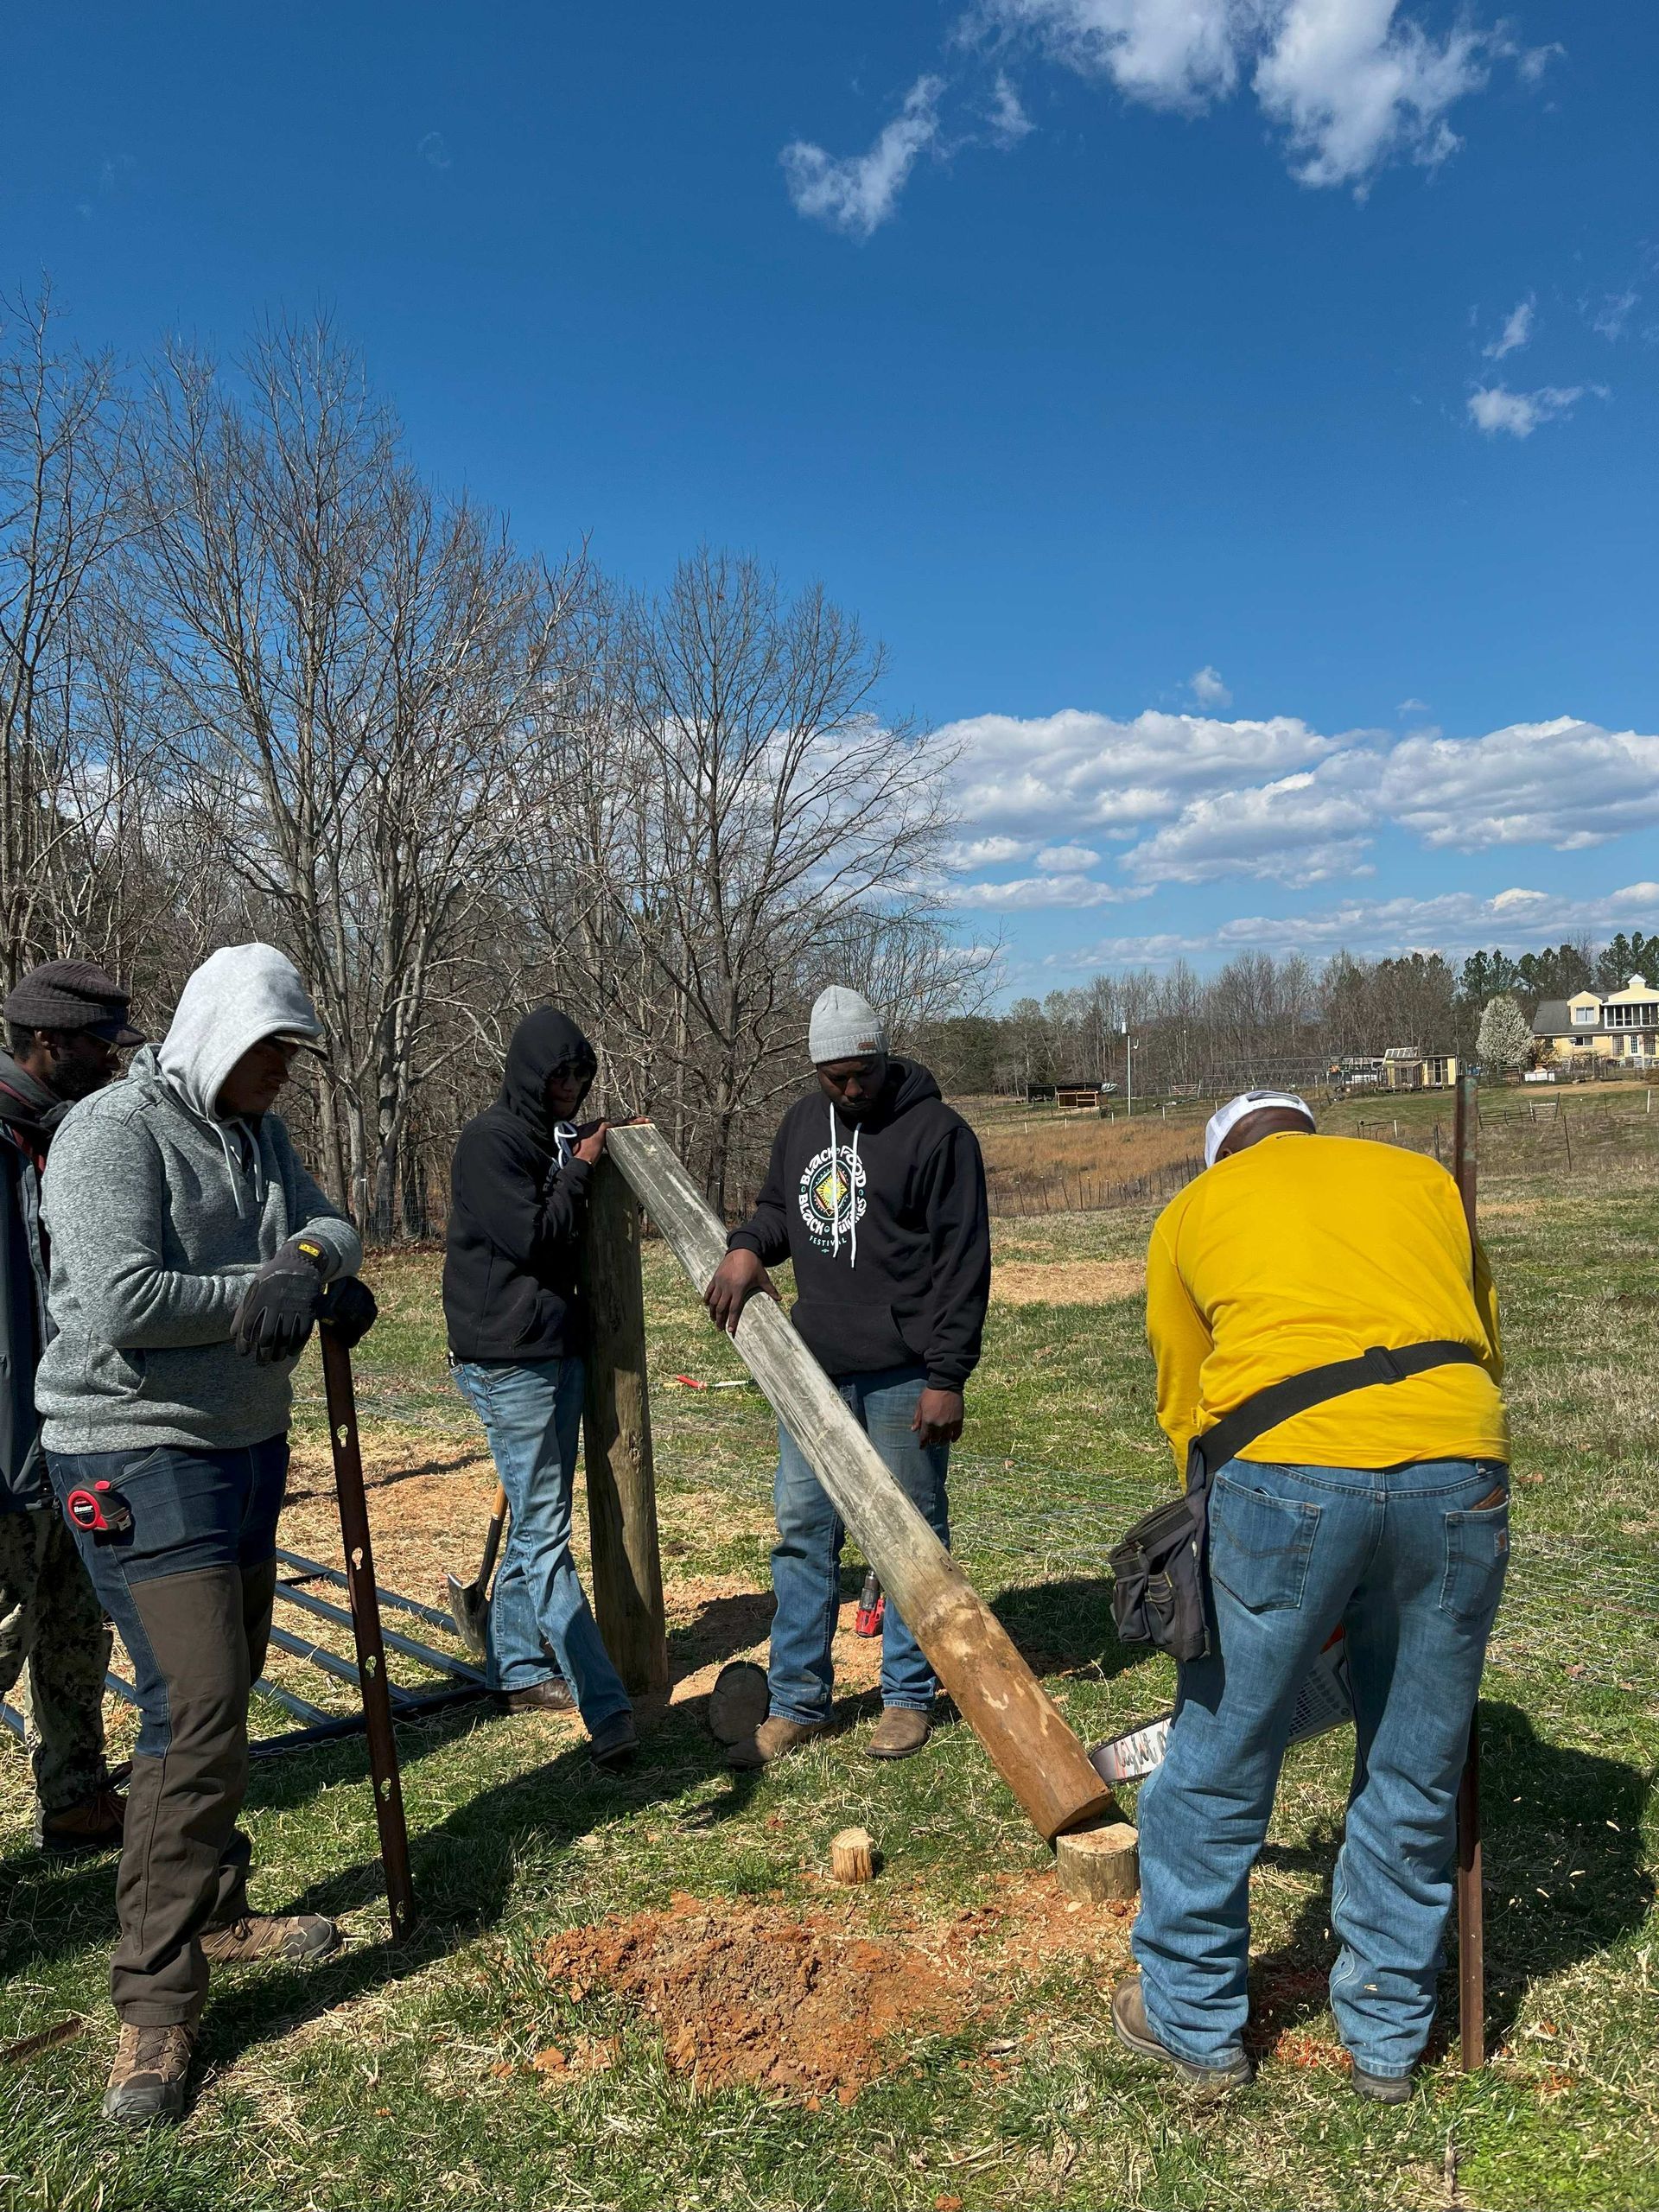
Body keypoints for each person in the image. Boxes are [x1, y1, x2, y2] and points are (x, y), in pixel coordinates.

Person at [40, 944, 378, 2126]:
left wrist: (304, 1261)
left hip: (241, 1445)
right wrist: (259, 1291)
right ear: (217, 1037)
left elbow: (335, 1225)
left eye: (292, 1053)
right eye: (270, 1050)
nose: (284, 1072)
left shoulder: (258, 1137)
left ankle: (218, 1910)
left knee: (227, 1689)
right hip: (132, 1446)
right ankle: (152, 2007)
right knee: (195, 1701)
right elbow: (121, 1295)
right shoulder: (110, 1134)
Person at [1116, 1089, 1509, 2102]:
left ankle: (1192, 2020)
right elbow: (1485, 1337)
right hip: (1460, 1465)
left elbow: (1184, 1388)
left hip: (1283, 1470)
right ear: (1309, 1132)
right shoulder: (1422, 1179)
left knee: (1221, 1752)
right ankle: (1385, 2036)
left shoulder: (1196, 1211)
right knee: (1416, 1763)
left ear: (1222, 1157)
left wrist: (1227, 1532)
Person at [705, 986, 990, 1768]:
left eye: (862, 1072)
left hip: (905, 1372)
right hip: (816, 1373)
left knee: (909, 1532)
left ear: (884, 1055)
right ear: (815, 1071)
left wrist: (947, 1374)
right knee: (803, 1532)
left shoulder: (937, 1133)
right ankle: (797, 1701)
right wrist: (746, 1247)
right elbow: (778, 1211)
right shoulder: (803, 1124)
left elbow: (965, 1266)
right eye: (835, 1077)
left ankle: (906, 1697)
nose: (852, 1089)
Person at [442, 1007, 636, 1771]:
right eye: (557, 1075)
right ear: (527, 1073)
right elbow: (532, 1238)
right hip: (509, 1359)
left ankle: (520, 1669)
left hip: (553, 1350)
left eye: (579, 1075)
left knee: (534, 1518)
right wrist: (583, 1165)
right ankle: (607, 1704)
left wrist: (595, 1143)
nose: (569, 1087)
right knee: (548, 1534)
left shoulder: (544, 1137)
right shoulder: (490, 1142)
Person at [0, 961, 143, 1853]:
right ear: (50, 1043)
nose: (114, 1062)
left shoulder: (72, 1140)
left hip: (74, 1437)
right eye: (100, 1045)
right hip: (3, 1450)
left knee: (75, 1628)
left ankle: (77, 1794)